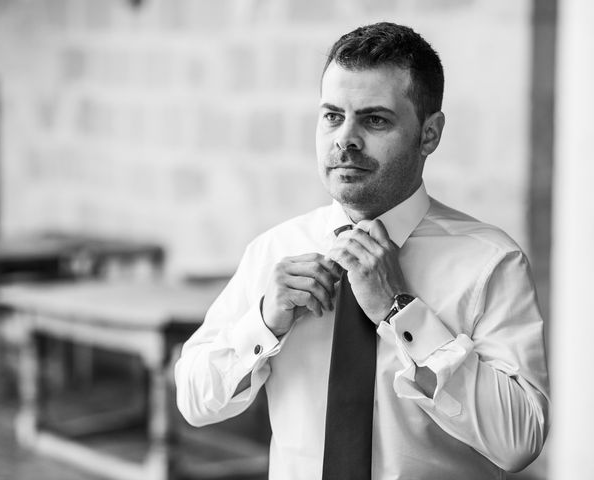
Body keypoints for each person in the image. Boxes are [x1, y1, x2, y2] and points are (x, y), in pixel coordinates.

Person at [175, 22, 550, 479]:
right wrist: (263, 322)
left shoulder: (491, 262)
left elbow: (520, 442)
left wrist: (402, 312)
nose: (344, 140)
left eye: (374, 120)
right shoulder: (275, 250)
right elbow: (194, 401)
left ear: (429, 134)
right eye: (332, 116)